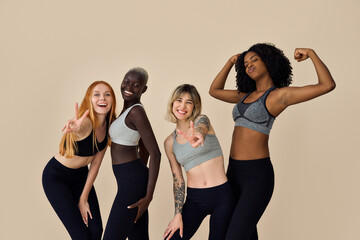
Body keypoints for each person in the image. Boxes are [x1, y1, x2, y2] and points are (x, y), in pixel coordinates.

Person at [209, 43, 336, 240]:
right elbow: (214, 91)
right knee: (232, 232)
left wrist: (311, 54)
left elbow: (327, 85)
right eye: (245, 63)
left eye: (254, 59)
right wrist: (230, 62)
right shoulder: (244, 95)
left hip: (257, 177)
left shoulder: (279, 95)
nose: (249, 64)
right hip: (233, 172)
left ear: (268, 61)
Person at [42, 81, 117, 240]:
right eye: (96, 94)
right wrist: (75, 130)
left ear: (112, 100)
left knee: (96, 231)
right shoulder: (86, 123)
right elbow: (80, 130)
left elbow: (95, 164)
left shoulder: (109, 127)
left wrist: (83, 199)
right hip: (56, 178)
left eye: (107, 94)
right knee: (81, 236)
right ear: (89, 99)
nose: (102, 98)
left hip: (81, 177)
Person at [163, 84, 235, 240]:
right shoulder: (169, 142)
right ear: (172, 103)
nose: (182, 106)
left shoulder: (202, 121)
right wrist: (177, 214)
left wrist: (199, 134)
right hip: (195, 199)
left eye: (189, 102)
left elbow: (202, 126)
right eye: (179, 100)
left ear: (194, 106)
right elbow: (178, 180)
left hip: (222, 196)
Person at [103, 67, 161, 240]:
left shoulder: (136, 111)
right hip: (131, 179)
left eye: (136, 85)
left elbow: (155, 153)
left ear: (144, 89)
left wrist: (148, 196)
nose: (129, 87)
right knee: (139, 237)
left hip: (131, 182)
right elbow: (143, 148)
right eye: (126, 81)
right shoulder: (127, 110)